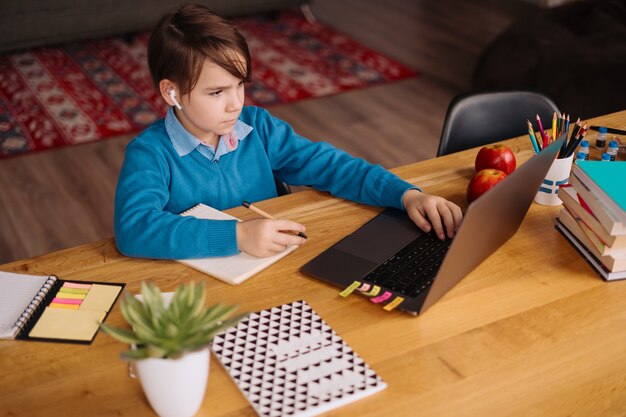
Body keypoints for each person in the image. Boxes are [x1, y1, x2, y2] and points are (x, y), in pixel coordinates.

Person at [114, 4, 463, 260]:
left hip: (275, 271)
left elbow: (333, 167)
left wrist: (407, 196)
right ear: (171, 92)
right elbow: (134, 229)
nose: (236, 103)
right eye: (217, 92)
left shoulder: (259, 128)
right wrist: (236, 234)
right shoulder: (150, 153)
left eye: (239, 85)